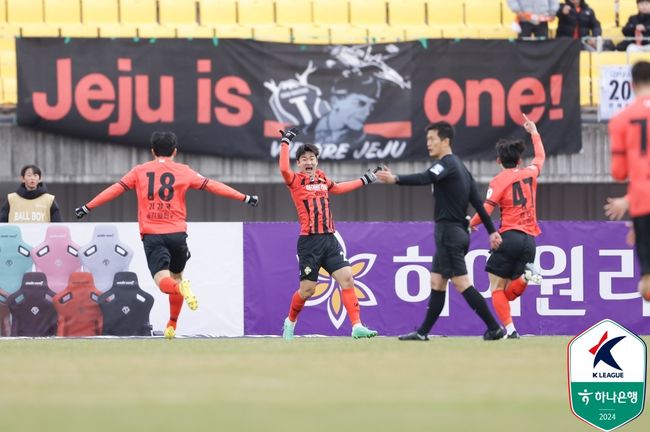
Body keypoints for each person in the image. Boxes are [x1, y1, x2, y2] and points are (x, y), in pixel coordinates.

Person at [74, 131, 259, 339]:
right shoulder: (184, 171)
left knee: (163, 282)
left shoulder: (140, 171)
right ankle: (172, 324)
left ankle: (180, 294)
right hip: (178, 234)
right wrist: (244, 197)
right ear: (175, 151)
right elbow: (213, 186)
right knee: (177, 277)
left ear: (152, 151)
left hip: (153, 234)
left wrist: (87, 207)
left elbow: (114, 190)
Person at [376, 121, 506, 341]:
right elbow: (477, 201)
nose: (428, 144)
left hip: (449, 233)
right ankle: (422, 333)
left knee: (461, 283)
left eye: (432, 139)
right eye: (427, 140)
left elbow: (426, 177)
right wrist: (492, 231)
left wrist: (396, 179)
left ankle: (495, 328)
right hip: (456, 233)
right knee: (437, 282)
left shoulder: (446, 164)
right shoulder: (462, 168)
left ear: (446, 141)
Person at [278, 128, 378, 340]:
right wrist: (285, 142)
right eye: (304, 159)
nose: (309, 162)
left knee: (348, 279)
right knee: (307, 291)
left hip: (330, 240)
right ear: (299, 164)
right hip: (309, 243)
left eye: (312, 158)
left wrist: (364, 180)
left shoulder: (323, 178)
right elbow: (283, 169)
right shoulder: (295, 180)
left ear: (317, 161)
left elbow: (339, 188)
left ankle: (357, 326)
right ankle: (290, 322)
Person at [468, 114, 545, 339]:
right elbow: (540, 157)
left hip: (509, 236)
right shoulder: (531, 173)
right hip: (530, 241)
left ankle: (510, 330)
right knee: (508, 293)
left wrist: (469, 226)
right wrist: (534, 132)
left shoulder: (498, 180)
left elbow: (486, 210)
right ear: (519, 161)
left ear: (499, 161)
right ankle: (525, 278)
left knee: (496, 288)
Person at [604, 60, 650, 303]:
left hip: (643, 202)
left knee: (647, 285)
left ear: (631, 85)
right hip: (639, 201)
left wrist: (630, 201)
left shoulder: (621, 120)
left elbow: (619, 172)